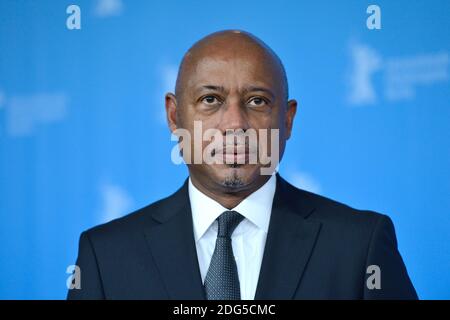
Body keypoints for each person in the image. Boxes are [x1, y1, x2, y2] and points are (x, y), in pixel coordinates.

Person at [68, 30, 417, 300]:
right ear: (175, 116)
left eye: (257, 100)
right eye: (210, 100)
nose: (235, 123)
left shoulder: (359, 245)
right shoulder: (106, 256)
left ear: (288, 119)